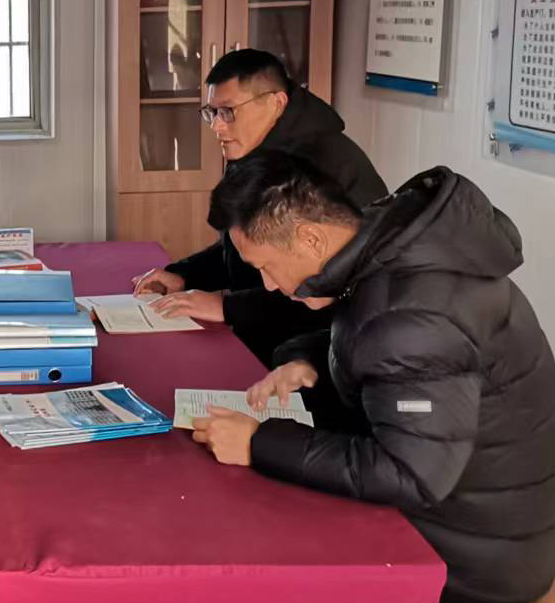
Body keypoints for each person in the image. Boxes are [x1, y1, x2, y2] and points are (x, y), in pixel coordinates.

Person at [189, 151, 555, 603]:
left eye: (266, 266)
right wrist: (308, 359)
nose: (267, 285)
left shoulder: (416, 315)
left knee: (257, 555)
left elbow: (409, 474)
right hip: (476, 518)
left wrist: (259, 442)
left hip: (474, 556)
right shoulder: (392, 251)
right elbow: (384, 353)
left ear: (310, 238)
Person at [132, 50, 387, 367]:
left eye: (228, 112)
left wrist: (226, 306)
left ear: (276, 103)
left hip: (318, 348)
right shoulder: (253, 147)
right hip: (264, 330)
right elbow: (243, 249)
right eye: (212, 113)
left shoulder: (317, 171)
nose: (217, 127)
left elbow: (312, 290)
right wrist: (184, 274)